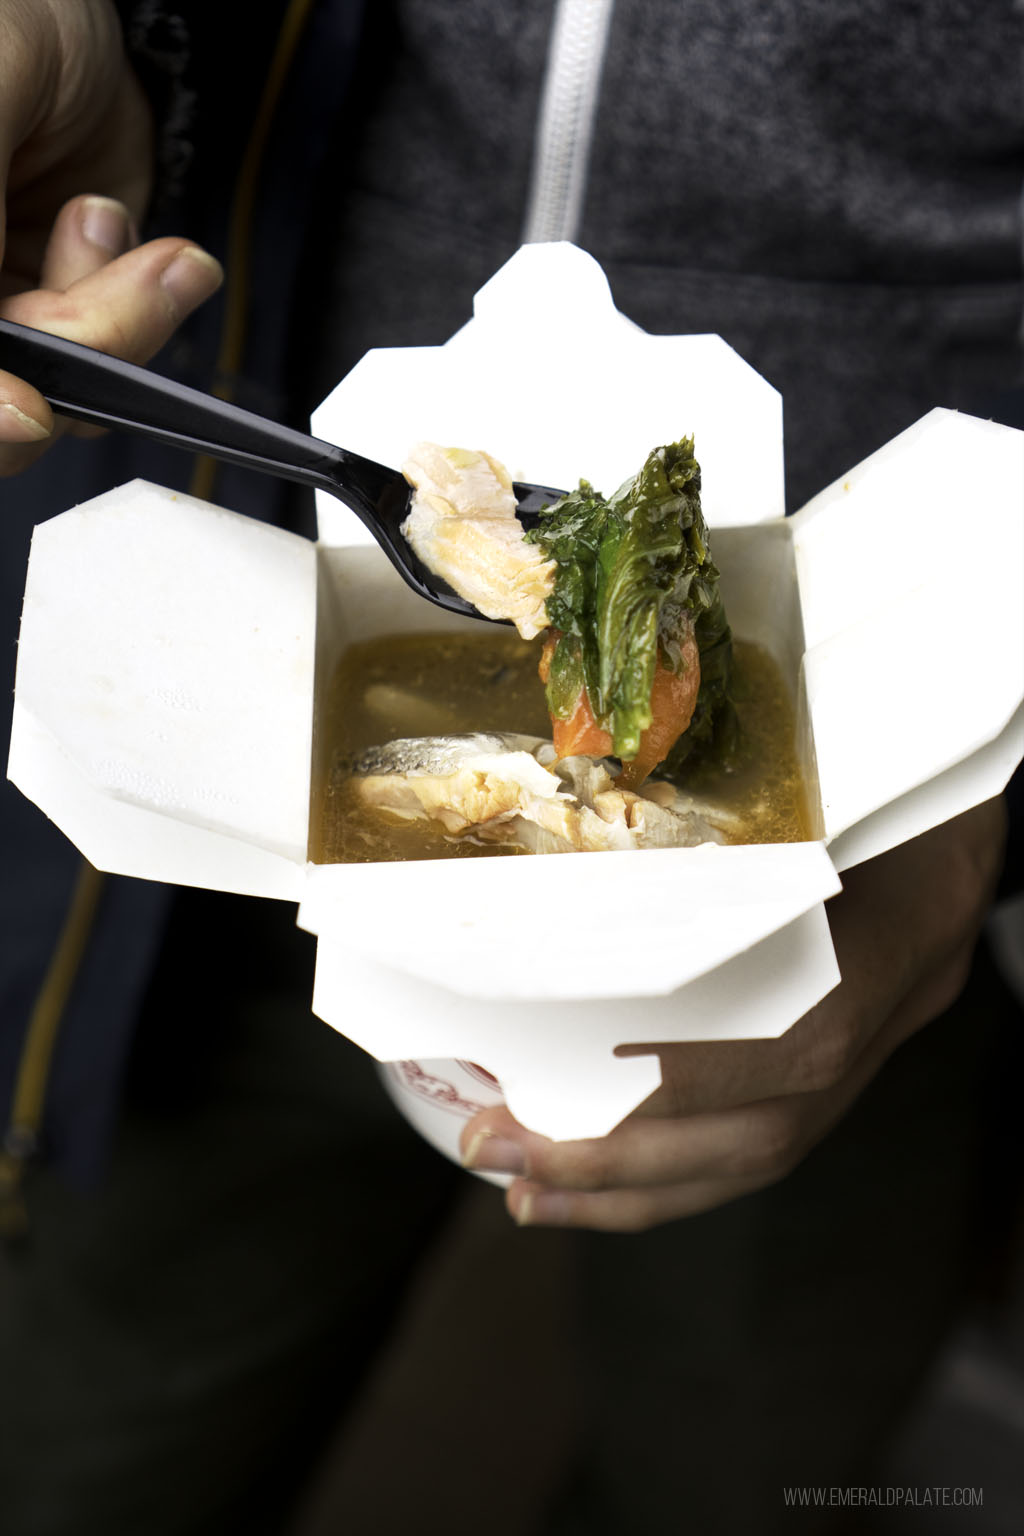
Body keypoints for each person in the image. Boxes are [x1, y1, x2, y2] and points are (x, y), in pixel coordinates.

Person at [0, 2, 1021, 1533]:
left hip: (859, 897)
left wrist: (979, 785)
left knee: (749, 1476)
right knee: (91, 1458)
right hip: (212, 849)